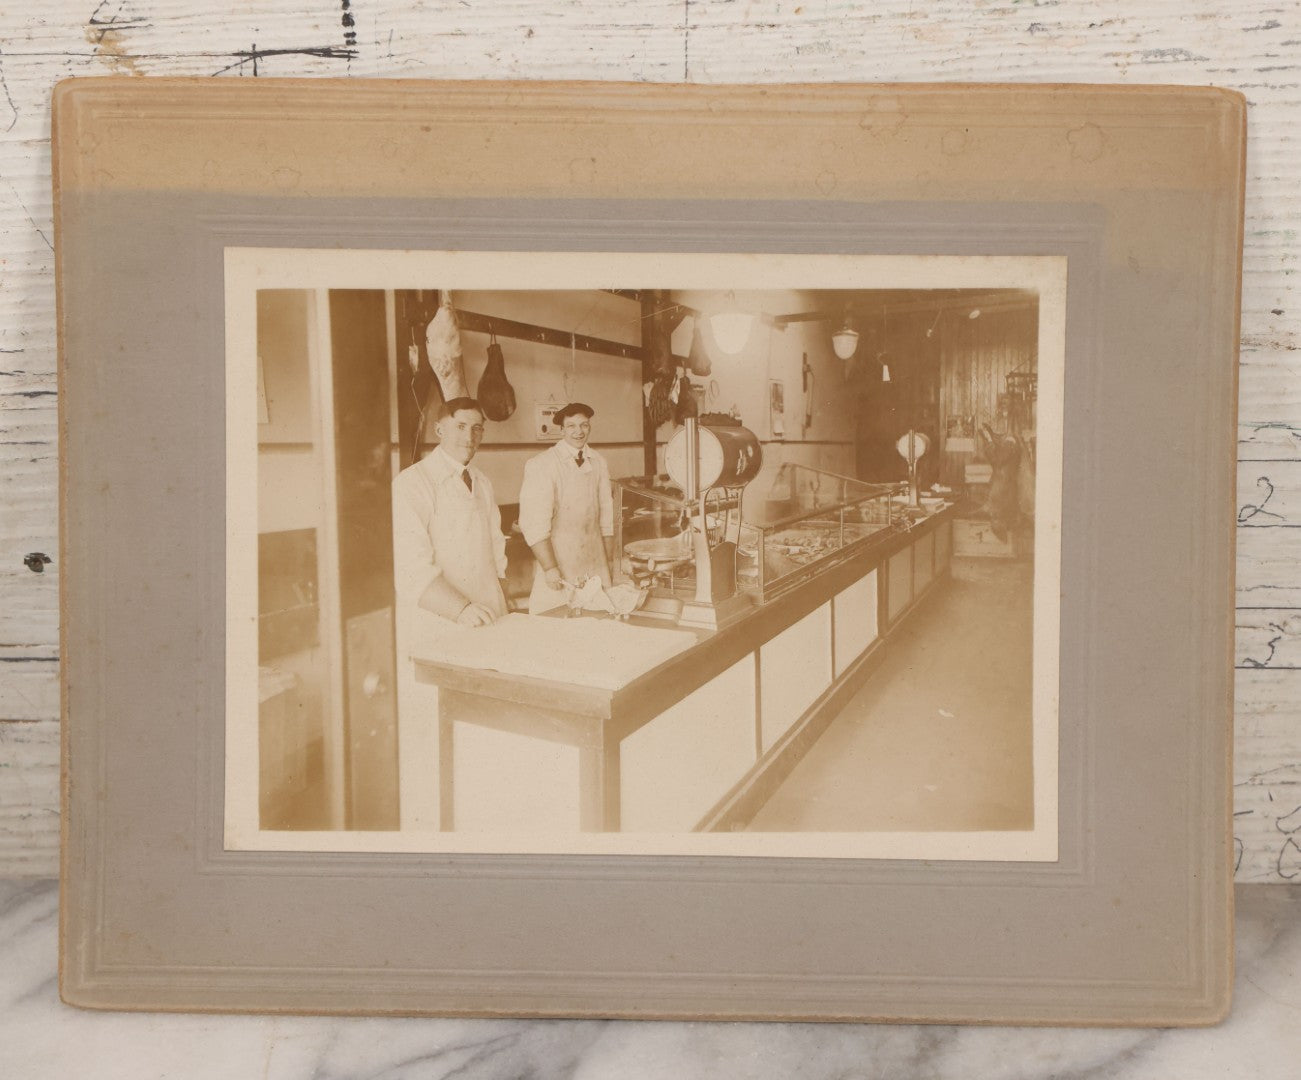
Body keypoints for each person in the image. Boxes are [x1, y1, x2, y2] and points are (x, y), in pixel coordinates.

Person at [391, 397, 507, 628]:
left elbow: (496, 546)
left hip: (489, 610)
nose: (469, 437)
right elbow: (409, 568)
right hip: (441, 617)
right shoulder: (412, 483)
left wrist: (503, 592)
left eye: (476, 429)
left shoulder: (482, 482)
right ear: (439, 430)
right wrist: (460, 609)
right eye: (460, 426)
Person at [517, 401, 615, 613]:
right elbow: (533, 525)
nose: (578, 432)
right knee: (558, 624)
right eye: (571, 426)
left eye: (584, 425)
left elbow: (607, 517)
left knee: (599, 624)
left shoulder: (598, 462)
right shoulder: (542, 464)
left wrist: (608, 561)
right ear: (561, 430)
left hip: (595, 563)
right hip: (560, 565)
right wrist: (550, 568)